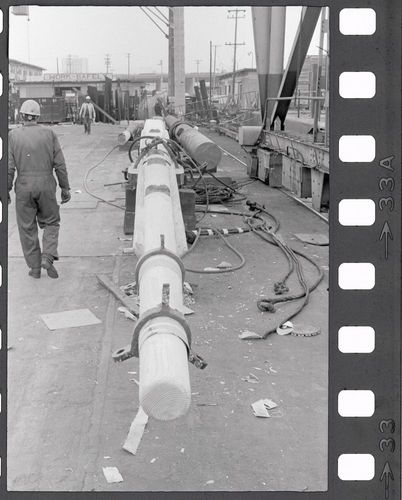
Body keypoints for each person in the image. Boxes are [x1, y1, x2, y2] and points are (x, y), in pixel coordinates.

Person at [8, 99, 71, 279]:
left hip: (24, 187)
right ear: (37, 116)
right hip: (46, 186)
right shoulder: (49, 134)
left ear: (22, 115)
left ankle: (35, 269)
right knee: (51, 222)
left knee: (27, 228)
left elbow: (9, 167)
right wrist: (65, 187)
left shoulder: (13, 136)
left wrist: (5, 190)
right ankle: (48, 256)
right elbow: (60, 164)